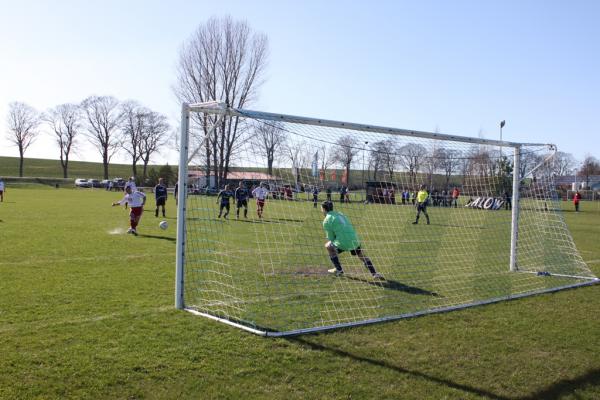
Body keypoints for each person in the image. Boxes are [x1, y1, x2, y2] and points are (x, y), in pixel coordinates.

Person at [321, 201, 384, 279]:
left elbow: (331, 238)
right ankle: (374, 273)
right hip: (354, 240)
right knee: (361, 255)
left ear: (323, 209)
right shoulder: (340, 214)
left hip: (342, 243)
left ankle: (339, 270)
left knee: (328, 246)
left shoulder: (326, 220)